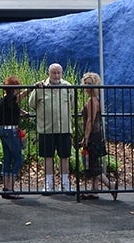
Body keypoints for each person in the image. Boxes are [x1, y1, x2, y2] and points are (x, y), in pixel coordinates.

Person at [29, 62, 74, 194]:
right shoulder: (41, 86)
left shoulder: (68, 87)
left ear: (62, 73)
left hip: (63, 128)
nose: (56, 75)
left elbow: (71, 105)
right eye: (54, 72)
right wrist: (36, 89)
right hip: (46, 129)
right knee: (48, 157)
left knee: (64, 157)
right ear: (49, 73)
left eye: (58, 72)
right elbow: (32, 104)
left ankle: (65, 184)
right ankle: (49, 184)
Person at [78, 72, 116, 200]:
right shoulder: (96, 99)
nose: (87, 86)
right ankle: (94, 190)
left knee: (93, 165)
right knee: (93, 162)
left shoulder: (92, 100)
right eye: (86, 83)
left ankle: (110, 184)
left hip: (93, 135)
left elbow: (90, 120)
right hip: (96, 134)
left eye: (90, 84)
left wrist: (86, 137)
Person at [0, 75, 30, 200]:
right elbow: (17, 99)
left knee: (8, 158)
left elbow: (13, 107)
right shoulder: (12, 98)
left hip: (1, 129)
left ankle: (6, 187)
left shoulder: (4, 99)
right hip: (10, 131)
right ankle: (10, 188)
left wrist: (22, 112)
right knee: (18, 158)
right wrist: (31, 89)